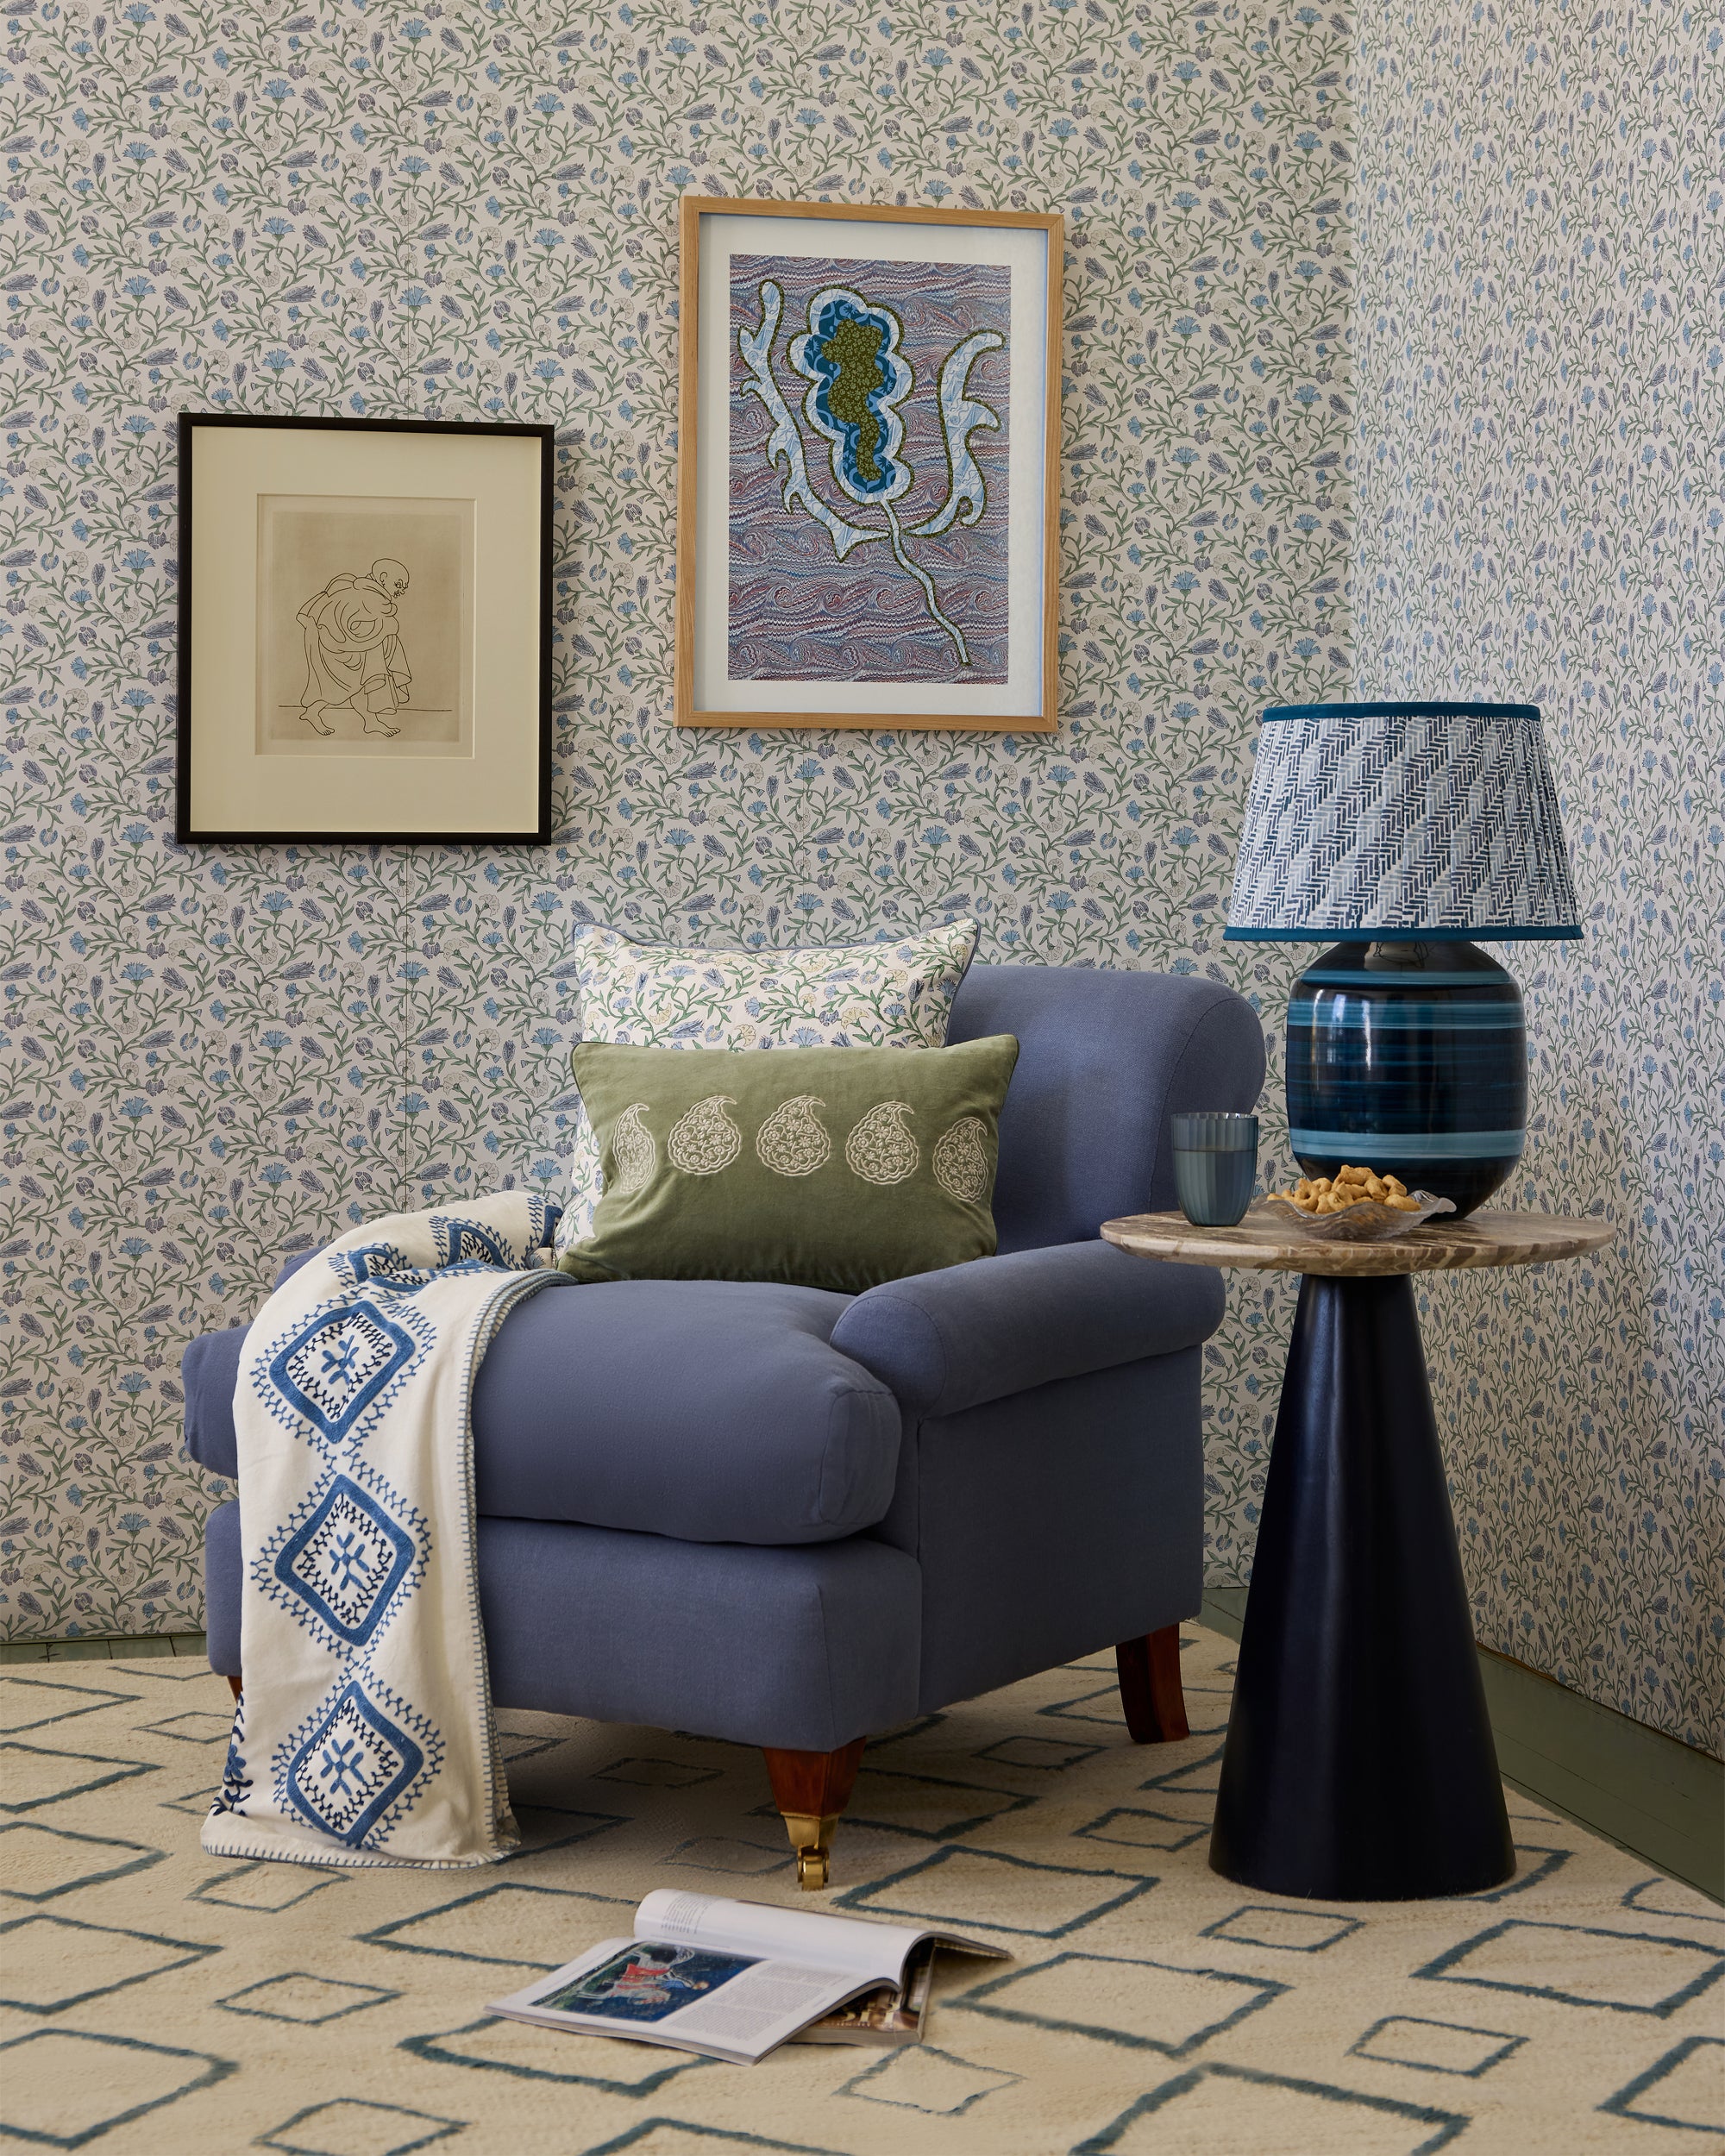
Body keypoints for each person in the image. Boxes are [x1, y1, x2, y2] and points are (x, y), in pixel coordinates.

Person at [296, 557, 411, 736]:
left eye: (404, 587)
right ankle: (312, 712)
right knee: (339, 686)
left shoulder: (369, 593)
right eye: (398, 584)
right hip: (335, 648)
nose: (401, 590)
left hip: (355, 649)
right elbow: (336, 615)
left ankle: (370, 721)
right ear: (383, 577)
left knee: (363, 683)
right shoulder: (362, 592)